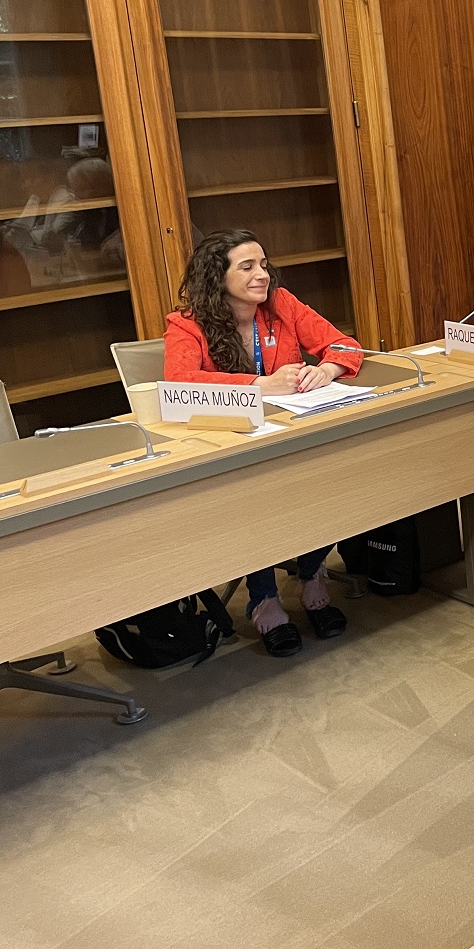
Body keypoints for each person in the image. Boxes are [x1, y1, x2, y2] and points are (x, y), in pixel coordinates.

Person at [164, 230, 364, 658]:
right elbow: (179, 380)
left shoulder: (282, 304)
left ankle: (313, 576)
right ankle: (264, 598)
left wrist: (327, 370)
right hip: (226, 447)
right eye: (247, 267)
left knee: (328, 481)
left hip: (291, 435)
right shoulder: (186, 323)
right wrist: (260, 384)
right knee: (254, 498)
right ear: (217, 276)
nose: (262, 275)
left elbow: (344, 344)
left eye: (264, 264)